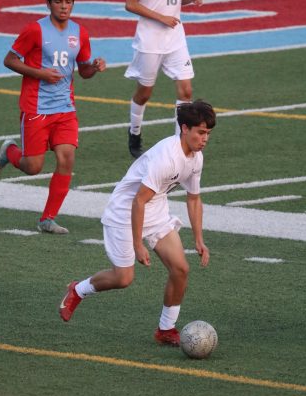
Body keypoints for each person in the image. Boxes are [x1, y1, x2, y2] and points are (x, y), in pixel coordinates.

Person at [59, 100, 215, 346]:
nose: (205, 139)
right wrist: (137, 244)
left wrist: (199, 239)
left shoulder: (196, 158)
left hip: (155, 210)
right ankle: (78, 290)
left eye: (208, 134)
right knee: (123, 278)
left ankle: (165, 329)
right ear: (185, 129)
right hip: (125, 211)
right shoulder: (166, 158)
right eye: (201, 132)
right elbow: (138, 202)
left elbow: (193, 198)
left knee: (181, 269)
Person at [0, 0, 106, 234]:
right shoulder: (35, 30)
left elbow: (83, 71)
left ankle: (47, 219)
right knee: (33, 167)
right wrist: (40, 73)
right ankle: (10, 151)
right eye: (58, 2)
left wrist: (94, 68)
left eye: (68, 2)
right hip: (36, 108)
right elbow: (9, 60)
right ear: (48, 3)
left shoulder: (80, 32)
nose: (64, 7)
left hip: (65, 109)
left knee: (67, 158)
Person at [124, 0, 203, 158]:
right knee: (145, 93)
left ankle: (181, 140)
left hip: (175, 38)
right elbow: (130, 3)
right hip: (150, 40)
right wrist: (161, 18)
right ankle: (134, 132)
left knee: (186, 90)